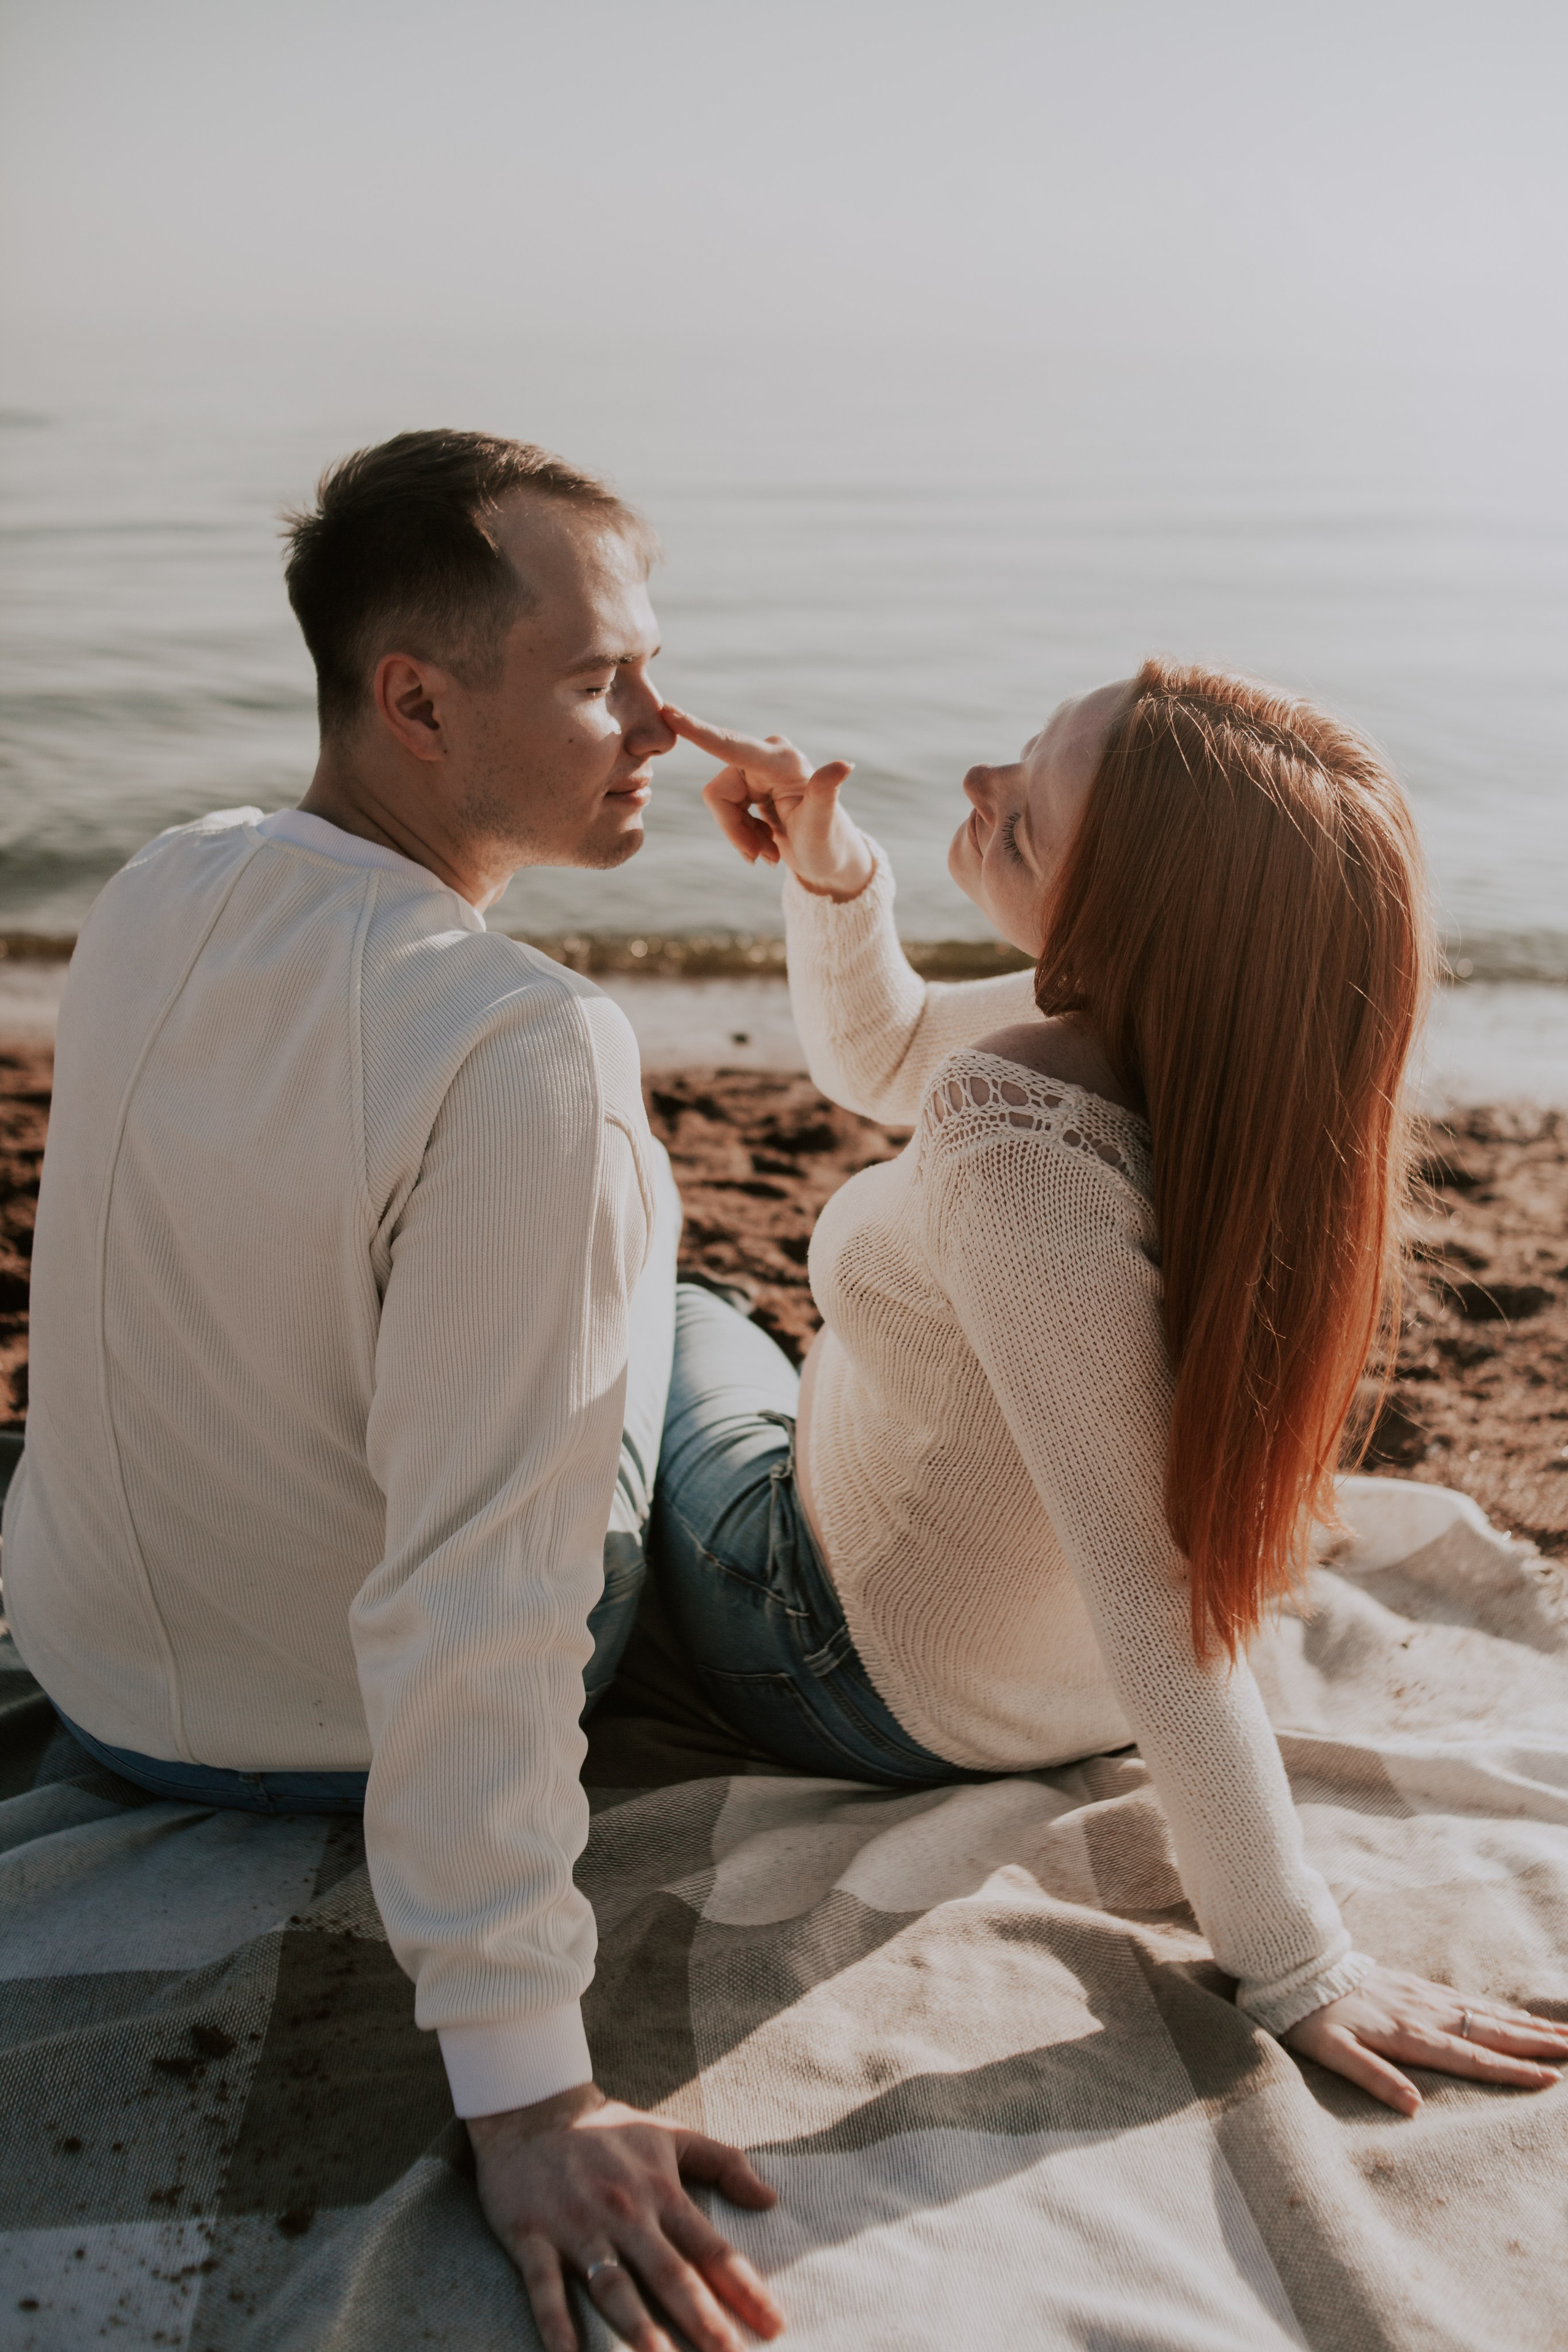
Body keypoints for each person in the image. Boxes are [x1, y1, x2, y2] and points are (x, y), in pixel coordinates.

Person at [4, 432, 784, 2352]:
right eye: (606, 678)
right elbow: (489, 1593)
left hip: (100, 1678)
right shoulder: (527, 1047)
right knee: (696, 1336)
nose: (664, 725)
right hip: (331, 1734)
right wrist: (529, 2092)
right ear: (414, 699)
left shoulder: (158, 886)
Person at [649, 664, 1568, 2119]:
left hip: (852, 1670)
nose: (978, 789)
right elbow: (878, 1053)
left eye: (1025, 811)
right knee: (757, 1361)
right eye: (1014, 757)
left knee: (679, 1302)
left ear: (1132, 915)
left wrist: (1296, 1961)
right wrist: (830, 876)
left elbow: (1154, 1598)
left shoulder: (1011, 1142)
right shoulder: (1226, 1055)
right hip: (1049, 1672)